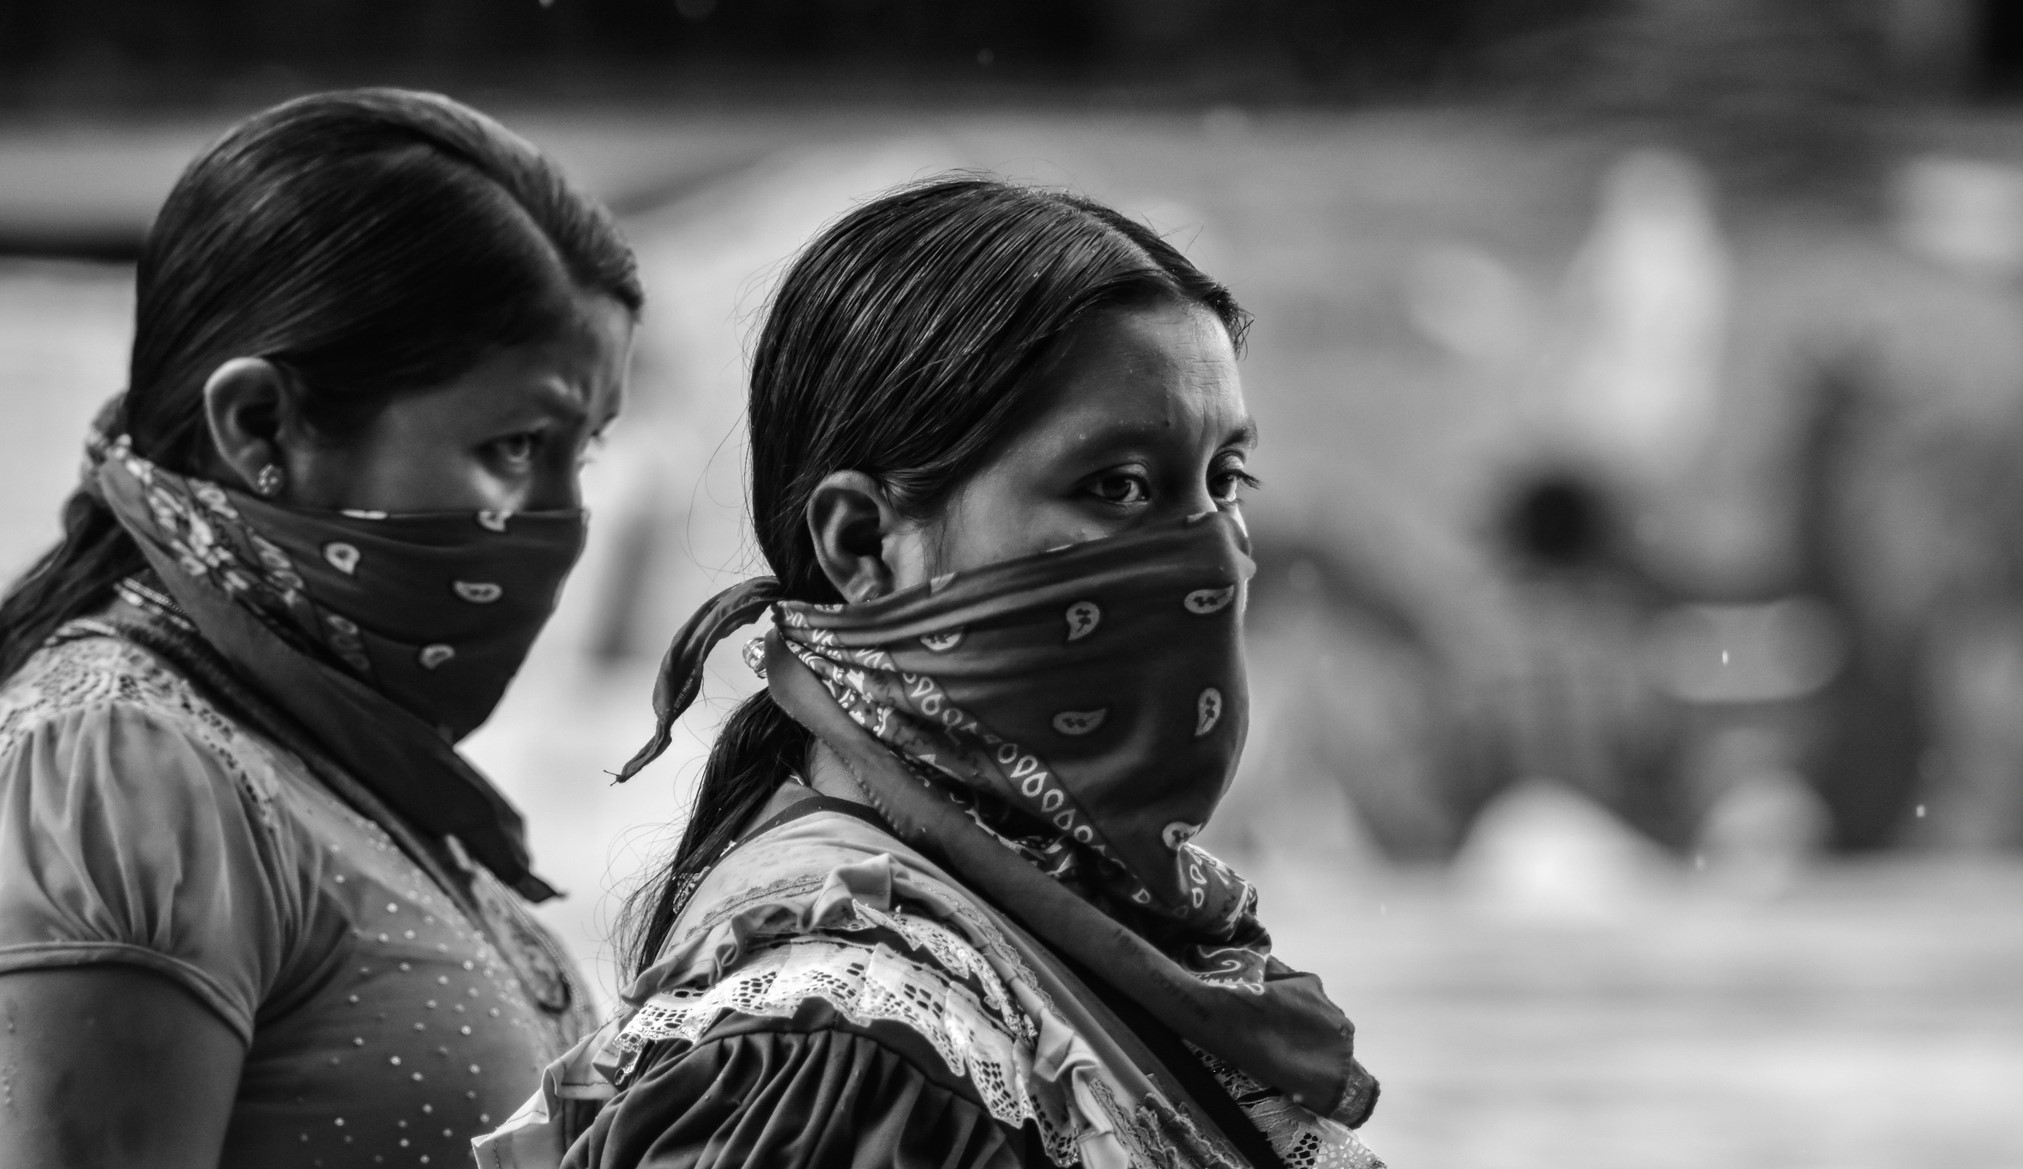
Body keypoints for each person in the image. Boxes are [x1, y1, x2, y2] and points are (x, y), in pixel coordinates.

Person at [478, 177, 1382, 1169]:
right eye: (1116, 486)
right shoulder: (841, 1030)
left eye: (1224, 482)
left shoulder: (1062, 926)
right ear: (863, 542)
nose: (1207, 555)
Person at [0, 89, 641, 1168]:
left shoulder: (337, 764)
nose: (561, 522)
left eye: (580, 455)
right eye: (516, 444)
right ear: (261, 425)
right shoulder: (123, 769)